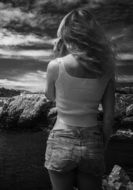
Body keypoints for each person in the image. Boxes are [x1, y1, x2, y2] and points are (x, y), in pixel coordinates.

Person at [44, 8, 115, 190]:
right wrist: (102, 144)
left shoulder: (55, 66)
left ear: (66, 33)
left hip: (61, 136)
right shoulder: (106, 69)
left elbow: (50, 96)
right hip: (92, 139)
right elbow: (108, 117)